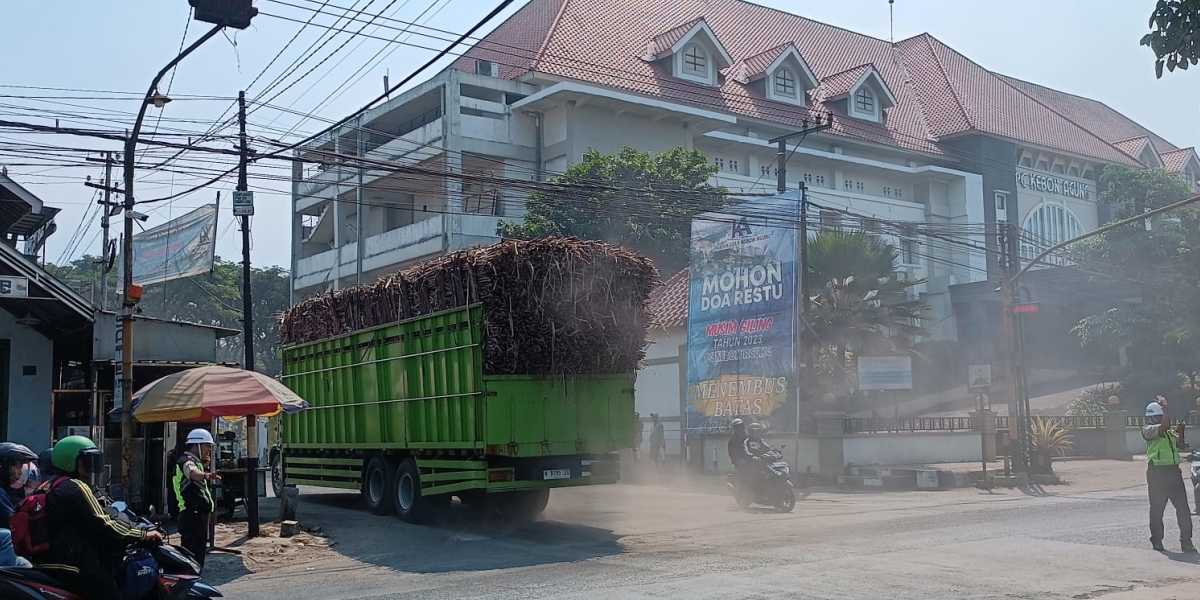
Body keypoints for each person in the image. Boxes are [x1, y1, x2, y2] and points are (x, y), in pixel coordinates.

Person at [37, 435, 162, 600]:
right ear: (71, 461)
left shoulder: (48, 486)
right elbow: (104, 523)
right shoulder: (75, 487)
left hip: (46, 562)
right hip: (72, 566)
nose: (91, 467)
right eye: (87, 460)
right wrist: (143, 534)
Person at [1142, 396, 1196, 553]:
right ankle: (1157, 540)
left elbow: (1181, 446)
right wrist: (1166, 408)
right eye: (1159, 416)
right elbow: (1164, 425)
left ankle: (1186, 541)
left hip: (1173, 472)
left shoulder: (1168, 431)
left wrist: (1181, 433)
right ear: (1152, 417)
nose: (1161, 418)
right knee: (1157, 509)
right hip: (1157, 474)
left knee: (1183, 509)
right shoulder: (1148, 430)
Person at [173, 429, 219, 568]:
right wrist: (206, 475)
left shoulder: (196, 462)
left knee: (197, 554)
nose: (208, 450)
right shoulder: (186, 461)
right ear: (196, 446)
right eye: (206, 447)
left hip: (197, 515)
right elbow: (191, 472)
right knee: (192, 555)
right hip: (191, 515)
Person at [0, 442, 37, 568]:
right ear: (3, 466)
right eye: (18, 467)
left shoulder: (7, 492)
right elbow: (14, 526)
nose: (20, 473)